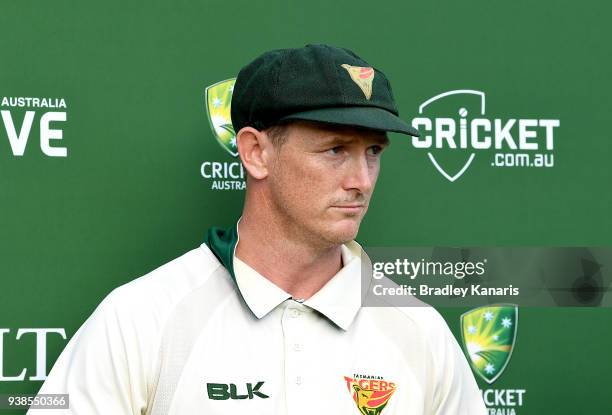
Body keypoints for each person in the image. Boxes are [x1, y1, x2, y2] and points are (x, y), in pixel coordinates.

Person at [29, 44, 487, 414]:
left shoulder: (418, 330)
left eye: (373, 152)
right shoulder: (143, 318)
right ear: (255, 153)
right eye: (335, 150)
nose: (361, 180)